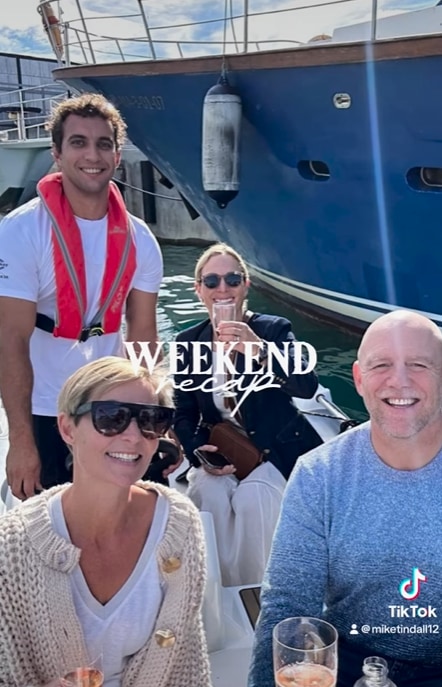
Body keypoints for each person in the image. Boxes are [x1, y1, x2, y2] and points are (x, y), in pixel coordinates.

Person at [248, 309, 442, 687]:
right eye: (381, 365)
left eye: (419, 364)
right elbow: (287, 605)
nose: (398, 380)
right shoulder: (318, 474)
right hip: (345, 665)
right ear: (358, 379)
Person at [0, 356, 212, 687]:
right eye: (111, 418)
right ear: (68, 428)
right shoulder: (11, 545)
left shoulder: (180, 523)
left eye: (151, 420)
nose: (132, 436)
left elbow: (187, 663)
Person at [0, 93, 164, 500]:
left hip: (111, 404)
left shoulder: (141, 241)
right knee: (48, 525)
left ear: (117, 155)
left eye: (103, 143)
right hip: (44, 405)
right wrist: (21, 442)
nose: (92, 154)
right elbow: (10, 339)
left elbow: (143, 335)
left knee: (122, 513)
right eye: (78, 142)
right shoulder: (21, 232)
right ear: (57, 153)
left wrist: (155, 420)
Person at [172, 243, 322, 586]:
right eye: (211, 282)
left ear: (246, 284)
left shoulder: (273, 330)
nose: (222, 289)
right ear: (198, 290)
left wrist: (256, 349)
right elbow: (182, 412)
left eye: (232, 279)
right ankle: (217, 588)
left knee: (254, 500)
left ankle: (257, 591)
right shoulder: (188, 341)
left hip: (272, 450)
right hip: (222, 448)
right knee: (209, 494)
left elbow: (305, 386)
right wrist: (198, 451)